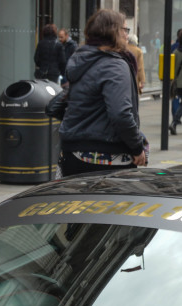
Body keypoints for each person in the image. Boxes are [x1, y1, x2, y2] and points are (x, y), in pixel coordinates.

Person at [57, 8, 146, 179]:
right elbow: (120, 114)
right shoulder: (114, 65)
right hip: (105, 154)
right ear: (112, 32)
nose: (127, 35)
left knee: (78, 206)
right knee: (113, 207)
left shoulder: (80, 57)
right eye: (124, 30)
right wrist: (137, 146)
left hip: (73, 152)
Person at [126, 31, 145, 95]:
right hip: (134, 76)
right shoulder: (138, 51)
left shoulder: (124, 49)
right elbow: (140, 67)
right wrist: (142, 81)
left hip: (124, 75)